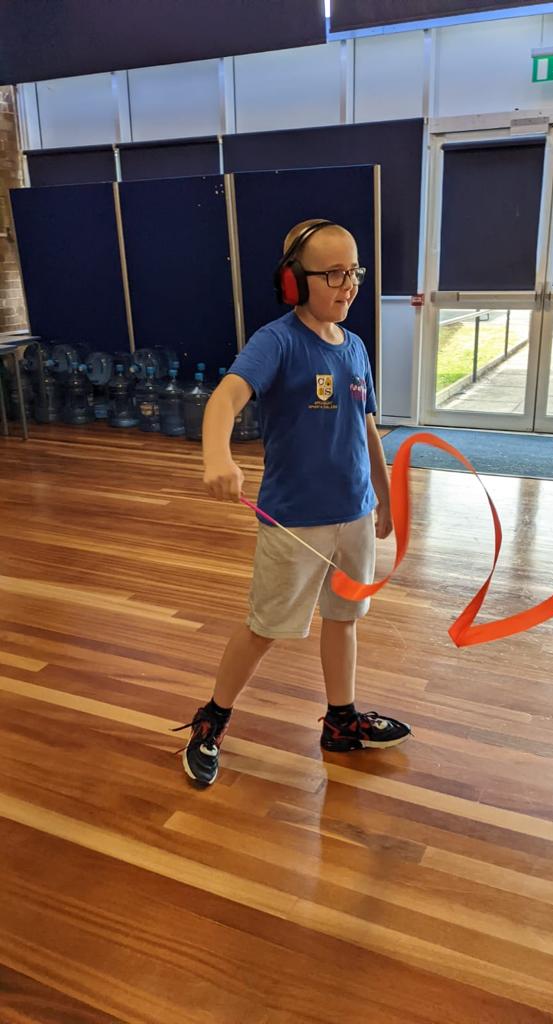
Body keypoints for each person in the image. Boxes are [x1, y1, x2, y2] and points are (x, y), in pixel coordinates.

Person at [174, 218, 411, 785]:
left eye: (352, 271)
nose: (347, 284)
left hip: (352, 515)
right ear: (292, 283)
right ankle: (211, 719)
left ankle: (341, 721)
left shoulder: (354, 346)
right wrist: (217, 456)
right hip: (295, 523)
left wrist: (384, 497)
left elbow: (367, 428)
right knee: (265, 628)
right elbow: (225, 400)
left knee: (343, 620)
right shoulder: (276, 341)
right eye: (332, 274)